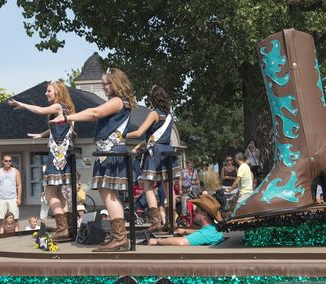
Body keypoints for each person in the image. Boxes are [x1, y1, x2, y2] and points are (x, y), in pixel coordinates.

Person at [49, 68, 138, 252]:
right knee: (109, 195)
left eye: (106, 83)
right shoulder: (120, 102)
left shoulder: (117, 101)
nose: (104, 87)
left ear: (116, 83)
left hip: (111, 152)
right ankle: (118, 236)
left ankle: (120, 238)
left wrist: (66, 117)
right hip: (108, 152)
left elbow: (94, 113)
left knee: (109, 195)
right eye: (103, 84)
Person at [8, 80, 74, 241]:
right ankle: (70, 228)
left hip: (57, 155)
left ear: (58, 92)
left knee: (50, 192)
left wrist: (22, 105)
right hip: (64, 154)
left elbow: (40, 110)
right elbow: (60, 127)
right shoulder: (67, 109)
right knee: (61, 194)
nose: (46, 93)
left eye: (49, 91)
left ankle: (62, 228)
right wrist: (43, 134)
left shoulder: (58, 106)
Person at [127, 85, 180, 232]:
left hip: (154, 152)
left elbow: (139, 132)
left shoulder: (154, 114)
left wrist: (121, 135)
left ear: (152, 98)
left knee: (148, 186)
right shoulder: (169, 115)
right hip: (167, 150)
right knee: (169, 188)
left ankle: (156, 221)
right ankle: (171, 222)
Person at [148, 194, 224, 246]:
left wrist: (158, 241)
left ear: (204, 215)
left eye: (197, 211)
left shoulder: (204, 234)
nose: (194, 212)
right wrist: (185, 231)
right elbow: (202, 232)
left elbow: (181, 242)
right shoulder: (215, 228)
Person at [0, 154, 22, 231]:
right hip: (2, 198)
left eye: (9, 161)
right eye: (6, 161)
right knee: (1, 218)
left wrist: (19, 198)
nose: (8, 162)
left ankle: (16, 232)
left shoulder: (16, 171)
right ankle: (1, 234)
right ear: (3, 161)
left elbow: (19, 185)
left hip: (12, 198)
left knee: (15, 217)